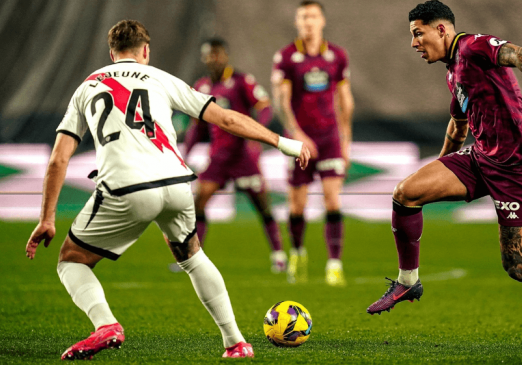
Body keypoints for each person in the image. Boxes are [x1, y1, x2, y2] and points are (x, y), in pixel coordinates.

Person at [25, 20, 309, 360]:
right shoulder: (161, 78)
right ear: (145, 51)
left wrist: (47, 218)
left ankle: (106, 325)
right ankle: (236, 343)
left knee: (71, 259)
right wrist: (281, 141)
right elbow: (226, 119)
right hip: (176, 185)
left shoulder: (88, 86)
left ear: (111, 53)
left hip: (125, 188)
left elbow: (58, 160)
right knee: (193, 257)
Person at [367, 0, 522, 350]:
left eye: (417, 33)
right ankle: (409, 281)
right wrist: (438, 167)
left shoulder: (473, 47)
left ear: (441, 29)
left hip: (519, 168)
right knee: (407, 193)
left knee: (518, 264)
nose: (414, 44)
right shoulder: (453, 71)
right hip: (482, 159)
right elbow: (458, 124)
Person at [179, 37, 286, 274]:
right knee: (198, 203)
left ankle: (279, 255)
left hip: (244, 158)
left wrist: (257, 132)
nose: (212, 59)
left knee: (262, 206)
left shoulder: (241, 81)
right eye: (208, 55)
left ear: (225, 56)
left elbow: (265, 106)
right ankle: (194, 259)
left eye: (216, 54)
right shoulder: (202, 87)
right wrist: (185, 154)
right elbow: (196, 126)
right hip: (218, 158)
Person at [272, 0, 355, 286]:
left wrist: (346, 139)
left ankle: (334, 263)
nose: (308, 21)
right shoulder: (285, 57)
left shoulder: (337, 56)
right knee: (297, 205)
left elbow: (345, 100)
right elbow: (282, 101)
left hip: (330, 138)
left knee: (333, 199)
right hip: (299, 141)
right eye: (303, 17)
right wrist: (297, 134)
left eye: (313, 16)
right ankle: (297, 253)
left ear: (322, 21)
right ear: (297, 22)